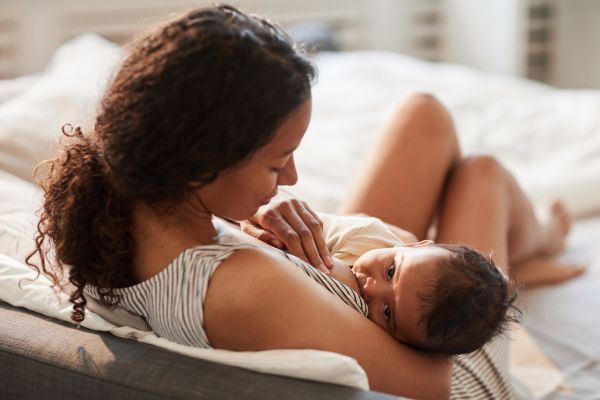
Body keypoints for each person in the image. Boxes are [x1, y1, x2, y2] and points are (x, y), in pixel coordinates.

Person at [26, 4, 583, 399]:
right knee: (481, 176)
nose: (291, 176)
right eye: (275, 161)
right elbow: (435, 384)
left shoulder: (120, 203)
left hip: (352, 283)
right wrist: (408, 254)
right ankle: (527, 250)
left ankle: (524, 248)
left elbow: (305, 281)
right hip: (446, 349)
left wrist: (259, 225)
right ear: (201, 162)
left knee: (424, 115)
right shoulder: (243, 287)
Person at [314, 212, 516, 355]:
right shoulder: (365, 234)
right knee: (483, 167)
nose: (369, 288)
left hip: (476, 369)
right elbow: (302, 222)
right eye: (391, 271)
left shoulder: (400, 340)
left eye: (387, 312)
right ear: (413, 245)